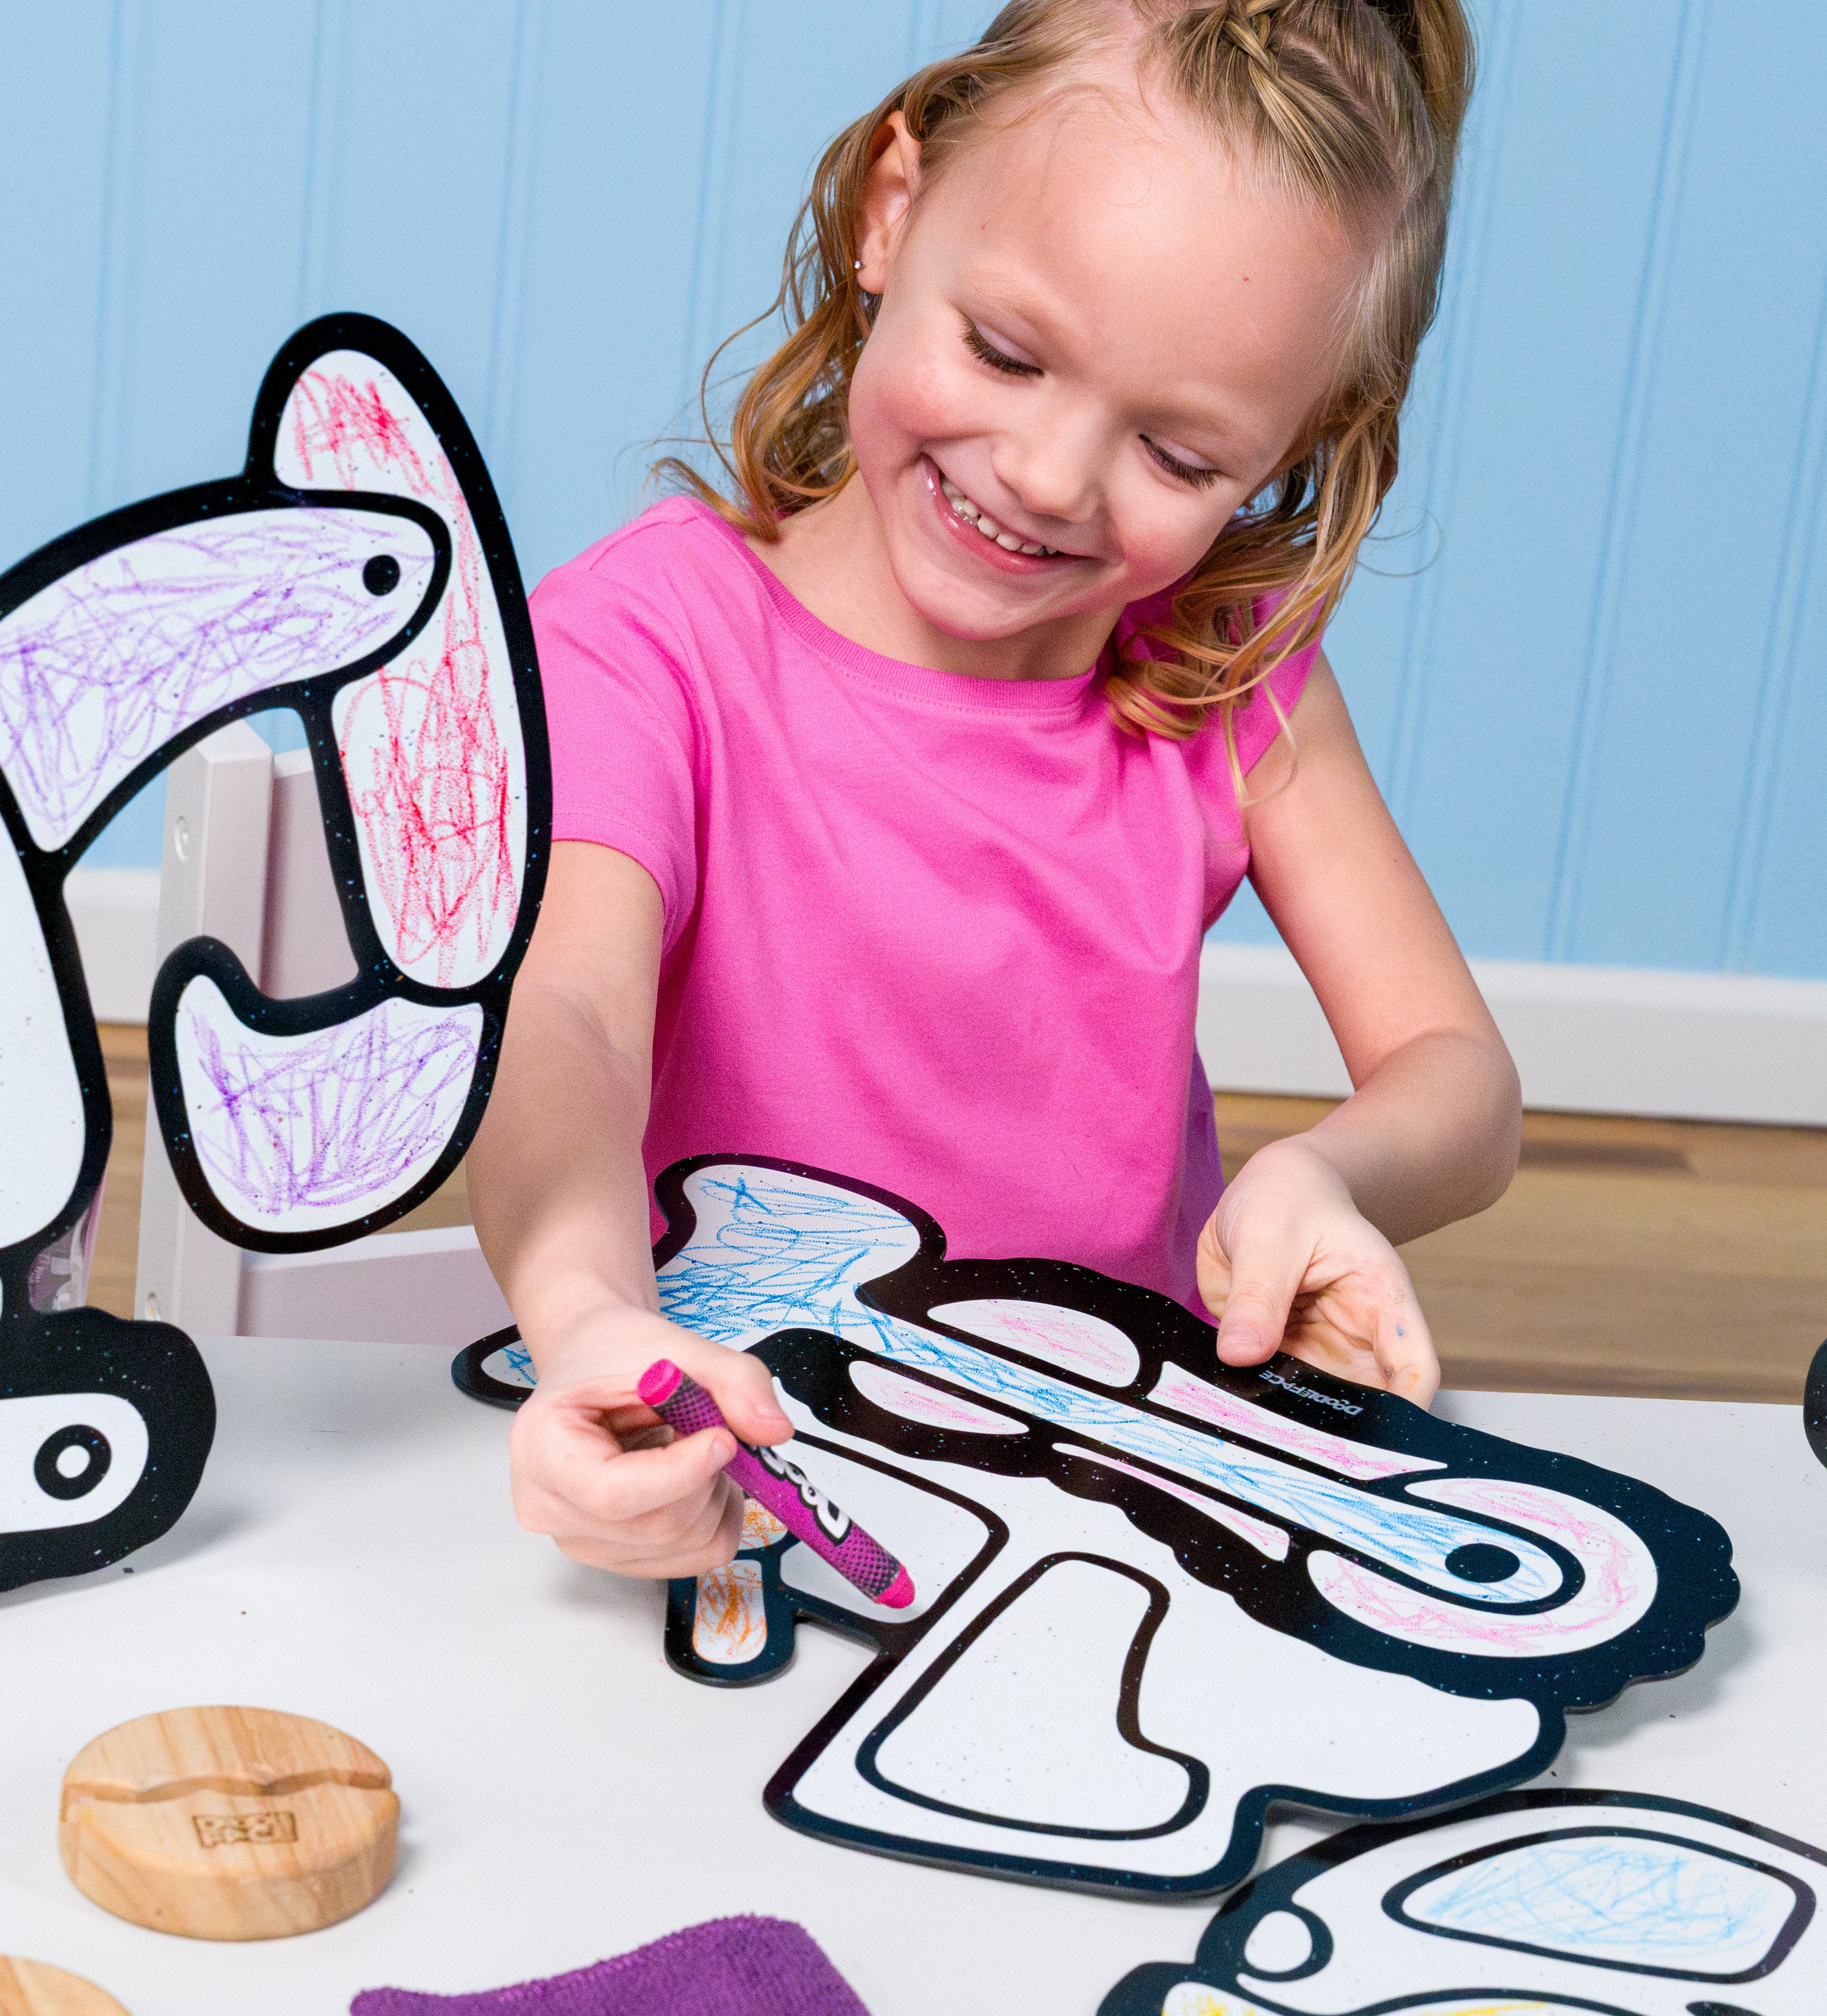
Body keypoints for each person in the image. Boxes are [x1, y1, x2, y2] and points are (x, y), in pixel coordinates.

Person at [466, 0, 1520, 1584]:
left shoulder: (1231, 674)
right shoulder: (645, 642)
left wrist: (1324, 1174)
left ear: (1297, 449)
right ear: (893, 211)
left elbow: (1460, 1077)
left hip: (1102, 1497)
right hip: (748, 1486)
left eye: (1180, 457)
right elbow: (565, 1023)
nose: (1045, 475)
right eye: (1008, 354)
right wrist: (587, 1316)